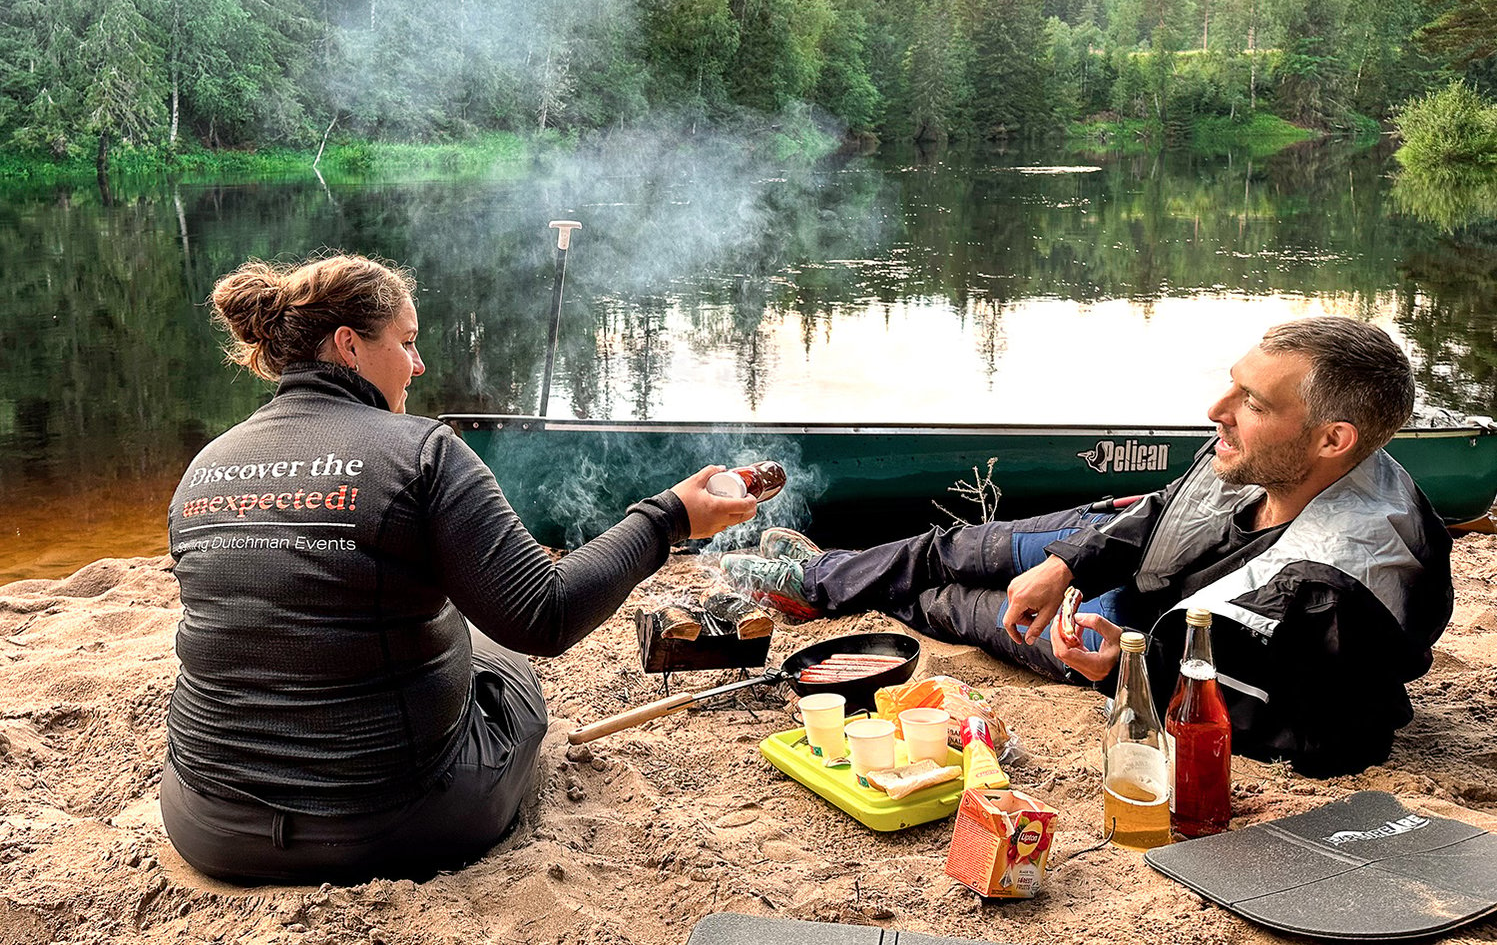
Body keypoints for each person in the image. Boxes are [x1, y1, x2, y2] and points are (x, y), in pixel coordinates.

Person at [162, 254, 757, 884]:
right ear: (348, 346)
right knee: (500, 647)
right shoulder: (421, 451)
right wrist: (667, 519)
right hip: (391, 823)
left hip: (208, 824)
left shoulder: (205, 465)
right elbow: (544, 614)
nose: (418, 366)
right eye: (407, 342)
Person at [724, 317, 1454, 776]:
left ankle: (827, 585)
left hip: (1134, 643)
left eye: (1252, 404)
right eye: (1231, 388)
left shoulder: (1334, 592)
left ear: (1334, 440)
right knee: (955, 549)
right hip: (1140, 577)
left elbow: (1336, 735)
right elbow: (1166, 508)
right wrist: (1064, 562)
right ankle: (815, 578)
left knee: (944, 603)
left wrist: (1123, 674)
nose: (1214, 413)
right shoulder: (1274, 454)